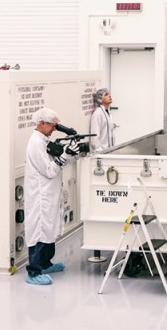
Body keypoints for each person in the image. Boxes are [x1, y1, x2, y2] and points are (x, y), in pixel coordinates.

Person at [24, 107, 80, 285]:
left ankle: (45, 264)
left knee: (49, 229)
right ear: (42, 123)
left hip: (50, 194)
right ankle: (33, 272)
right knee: (40, 231)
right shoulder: (35, 143)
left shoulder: (44, 140)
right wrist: (64, 156)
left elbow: (57, 163)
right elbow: (49, 170)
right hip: (41, 197)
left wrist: (70, 154)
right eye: (52, 126)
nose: (54, 129)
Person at [89, 87, 115, 151]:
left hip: (110, 149)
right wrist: (99, 150)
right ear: (100, 99)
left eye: (109, 94)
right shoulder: (97, 113)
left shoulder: (108, 112)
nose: (109, 96)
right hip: (102, 151)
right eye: (106, 95)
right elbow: (95, 135)